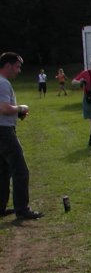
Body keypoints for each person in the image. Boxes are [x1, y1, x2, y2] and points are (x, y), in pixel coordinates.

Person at [0, 52, 43, 220]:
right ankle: (22, 210)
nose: (19, 71)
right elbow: (4, 108)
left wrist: (16, 113)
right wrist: (21, 108)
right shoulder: (3, 83)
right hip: (4, 131)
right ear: (8, 66)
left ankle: (1, 207)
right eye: (17, 67)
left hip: (3, 128)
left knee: (3, 171)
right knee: (20, 170)